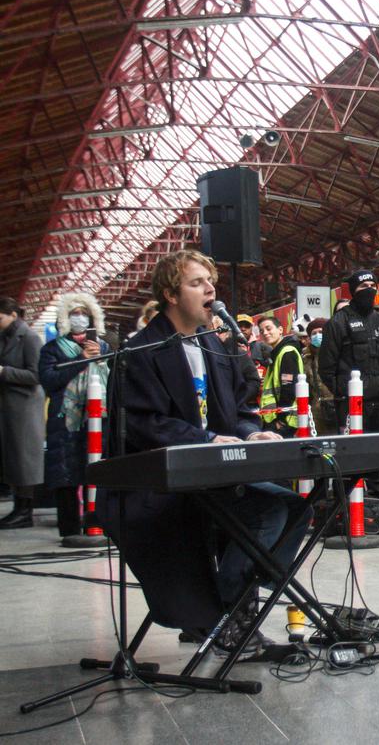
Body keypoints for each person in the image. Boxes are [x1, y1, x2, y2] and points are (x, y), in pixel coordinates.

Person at [95, 249, 309, 652]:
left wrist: (249, 434)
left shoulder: (216, 346)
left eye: (211, 281)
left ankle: (225, 616)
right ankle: (227, 621)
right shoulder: (141, 351)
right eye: (197, 282)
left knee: (293, 508)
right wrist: (207, 440)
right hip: (163, 486)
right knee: (265, 512)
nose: (210, 289)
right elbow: (144, 424)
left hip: (214, 478)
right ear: (170, 295)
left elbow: (241, 411)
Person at [38, 293, 111, 538]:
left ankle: (98, 523)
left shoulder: (103, 346)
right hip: (65, 419)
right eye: (75, 313)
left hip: (98, 415)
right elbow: (49, 381)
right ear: (66, 318)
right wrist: (81, 360)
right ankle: (68, 529)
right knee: (66, 473)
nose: (80, 318)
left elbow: (111, 378)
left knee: (98, 470)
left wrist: (99, 357)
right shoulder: (52, 349)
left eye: (84, 313)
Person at [319, 269, 379, 432]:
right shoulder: (338, 322)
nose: (369, 289)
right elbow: (326, 367)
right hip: (351, 404)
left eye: (372, 285)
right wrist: (342, 392)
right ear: (353, 290)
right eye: (363, 286)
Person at [0, 297, 45, 530]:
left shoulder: (29, 338)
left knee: (24, 460)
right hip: (9, 407)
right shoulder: (5, 336)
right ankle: (19, 507)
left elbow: (36, 375)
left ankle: (25, 511)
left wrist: (4, 371)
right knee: (13, 459)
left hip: (25, 408)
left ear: (13, 315)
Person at [257, 316, 304, 437]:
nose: (265, 333)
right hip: (275, 418)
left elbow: (288, 388)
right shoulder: (277, 353)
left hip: (283, 420)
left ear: (280, 330)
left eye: (268, 328)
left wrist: (281, 420)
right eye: (262, 331)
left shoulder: (287, 352)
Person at [300, 318, 336, 435]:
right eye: (314, 333)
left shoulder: (336, 351)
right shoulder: (306, 356)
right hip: (317, 407)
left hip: (336, 403)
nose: (317, 335)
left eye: (321, 332)